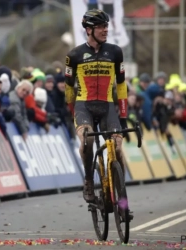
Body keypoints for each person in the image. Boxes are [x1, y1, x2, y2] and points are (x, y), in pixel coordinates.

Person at [64, 8, 131, 220]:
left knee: (118, 150)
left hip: (108, 106)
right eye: (101, 27)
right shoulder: (73, 55)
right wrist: (71, 113)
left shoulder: (115, 52)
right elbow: (68, 89)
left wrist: (123, 115)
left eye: (106, 26)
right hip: (84, 106)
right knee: (86, 141)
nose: (105, 30)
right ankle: (88, 181)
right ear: (89, 29)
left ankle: (123, 204)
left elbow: (121, 86)